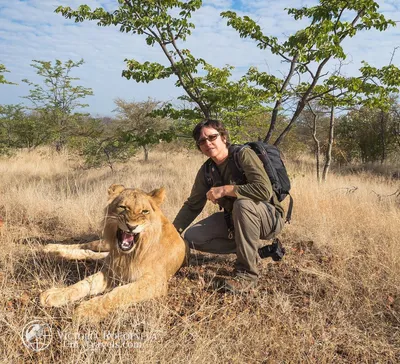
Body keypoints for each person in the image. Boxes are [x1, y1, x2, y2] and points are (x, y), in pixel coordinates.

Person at [173, 119, 285, 293]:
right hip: (236, 220)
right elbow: (192, 205)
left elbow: (264, 190)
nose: (208, 143)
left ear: (224, 137)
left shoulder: (243, 154)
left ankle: (247, 275)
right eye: (202, 141)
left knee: (243, 204)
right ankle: (249, 249)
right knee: (193, 237)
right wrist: (171, 233)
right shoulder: (207, 170)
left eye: (212, 137)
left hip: (269, 218)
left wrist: (226, 190)